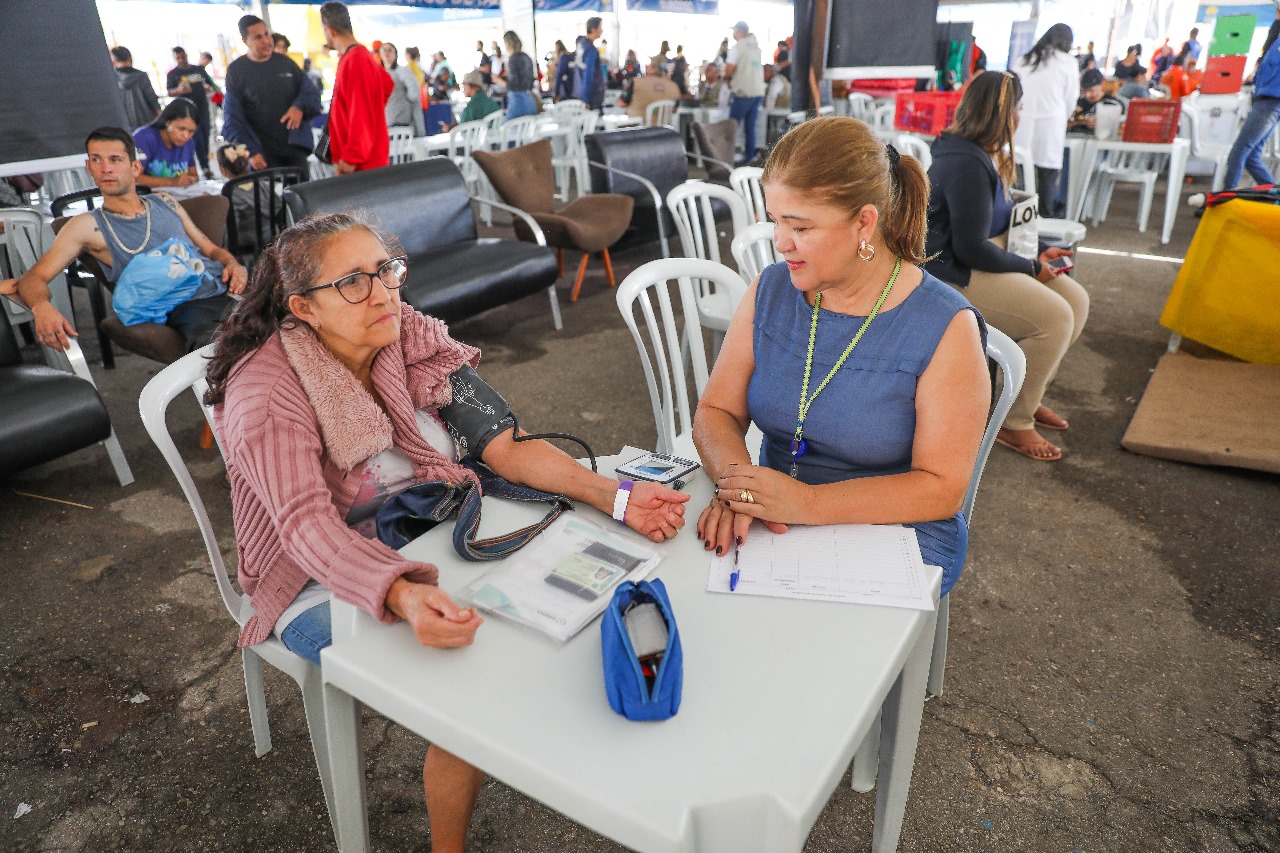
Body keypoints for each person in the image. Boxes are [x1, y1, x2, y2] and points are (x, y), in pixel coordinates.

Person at [202, 211, 688, 853]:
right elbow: (304, 527)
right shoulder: (268, 394)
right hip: (316, 582)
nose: (382, 293)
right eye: (352, 282)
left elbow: (506, 447)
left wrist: (619, 496)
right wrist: (399, 592)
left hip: (429, 530)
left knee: (581, 591)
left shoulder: (406, 336)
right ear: (303, 308)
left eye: (385, 270)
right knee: (472, 680)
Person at [691, 116, 989, 597]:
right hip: (774, 515)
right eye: (775, 221)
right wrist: (738, 486)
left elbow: (941, 488)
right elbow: (716, 410)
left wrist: (806, 503)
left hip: (894, 531)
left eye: (800, 226)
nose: (780, 242)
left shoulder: (945, 325)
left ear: (864, 223)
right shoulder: (771, 288)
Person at [925, 71, 1089, 462]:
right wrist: (1032, 268)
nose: (1020, 116)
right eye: (1017, 108)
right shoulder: (967, 164)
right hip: (953, 273)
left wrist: (1042, 251)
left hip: (980, 258)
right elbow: (970, 248)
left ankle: (1027, 395)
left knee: (1076, 300)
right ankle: (1015, 423)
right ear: (1004, 115)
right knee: (1055, 318)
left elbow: (999, 222)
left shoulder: (977, 153)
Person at [5, 128, 246, 354]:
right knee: (228, 349)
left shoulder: (165, 202)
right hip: (189, 305)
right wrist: (41, 307)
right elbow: (33, 278)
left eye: (115, 160)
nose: (105, 169)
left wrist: (233, 264)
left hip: (227, 288)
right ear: (88, 167)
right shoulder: (87, 226)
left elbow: (212, 249)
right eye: (96, 160)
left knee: (280, 317)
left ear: (135, 167)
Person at [223, 15, 322, 171]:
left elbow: (312, 94)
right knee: (267, 196)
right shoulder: (236, 71)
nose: (266, 41)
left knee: (301, 194)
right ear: (245, 41)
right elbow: (232, 119)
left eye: (266, 34)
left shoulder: (286, 64)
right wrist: (250, 151)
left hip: (295, 150)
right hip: (261, 155)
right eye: (258, 37)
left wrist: (299, 106)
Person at [1012, 23, 1078, 217]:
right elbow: (1070, 99)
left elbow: (1013, 91)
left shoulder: (1024, 59)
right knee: (1047, 177)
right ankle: (1046, 219)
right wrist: (1063, 117)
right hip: (1052, 124)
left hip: (1022, 122)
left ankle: (1019, 217)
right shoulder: (1067, 62)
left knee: (1021, 174)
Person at [321, 2, 394, 174]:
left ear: (329, 30)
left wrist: (350, 159)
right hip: (366, 161)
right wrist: (374, 112)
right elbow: (387, 84)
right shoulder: (358, 57)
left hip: (362, 167)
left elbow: (360, 113)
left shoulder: (355, 60)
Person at [1223, 30, 1280, 189]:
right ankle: (1273, 195)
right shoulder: (1276, 40)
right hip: (1268, 100)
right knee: (1251, 157)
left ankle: (1225, 199)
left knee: (1238, 152)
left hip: (1270, 101)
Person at [167, 46, 216, 179]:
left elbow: (210, 83)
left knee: (206, 137)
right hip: (188, 113)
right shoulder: (173, 74)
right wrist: (178, 90)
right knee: (197, 139)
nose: (181, 59)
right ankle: (204, 166)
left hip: (203, 108)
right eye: (178, 58)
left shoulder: (198, 69)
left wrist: (209, 89)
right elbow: (170, 91)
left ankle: (206, 164)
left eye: (183, 56)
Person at [132, 98, 201, 188]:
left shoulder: (188, 143)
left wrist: (191, 180)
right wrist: (172, 182)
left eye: (191, 131)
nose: (186, 135)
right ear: (167, 122)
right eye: (181, 129)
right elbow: (133, 177)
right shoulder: (143, 138)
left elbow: (194, 174)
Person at [725, 21, 765, 165]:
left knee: (731, 126)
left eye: (734, 31)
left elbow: (729, 70)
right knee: (750, 126)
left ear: (739, 32)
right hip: (757, 91)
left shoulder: (737, 48)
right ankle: (750, 155)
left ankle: (727, 157)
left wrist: (728, 79)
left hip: (743, 91)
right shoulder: (755, 46)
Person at [379, 42, 426, 137]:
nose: (387, 53)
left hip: (401, 121)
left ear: (395, 54)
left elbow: (414, 94)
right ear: (380, 54)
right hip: (385, 122)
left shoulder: (403, 71)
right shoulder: (378, 72)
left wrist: (402, 99)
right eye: (384, 50)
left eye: (390, 50)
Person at [111, 46, 161, 131]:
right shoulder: (142, 76)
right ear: (129, 58)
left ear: (114, 61)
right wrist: (160, 117)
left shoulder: (112, 78)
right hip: (146, 122)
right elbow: (151, 98)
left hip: (124, 125)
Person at [1068, 67, 1125, 134]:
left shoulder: (1113, 105)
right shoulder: (1076, 103)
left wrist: (1099, 125)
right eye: (1085, 90)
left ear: (1102, 84)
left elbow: (1120, 130)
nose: (1087, 95)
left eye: (1091, 90)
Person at [501, 31, 537, 121]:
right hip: (530, 101)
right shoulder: (527, 58)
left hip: (518, 102)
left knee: (506, 128)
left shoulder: (513, 59)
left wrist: (499, 81)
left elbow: (514, 85)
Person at [572, 17, 605, 110]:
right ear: (593, 29)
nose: (602, 30)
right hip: (591, 97)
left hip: (578, 92)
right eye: (600, 27)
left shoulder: (581, 45)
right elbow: (588, 74)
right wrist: (586, 99)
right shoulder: (591, 50)